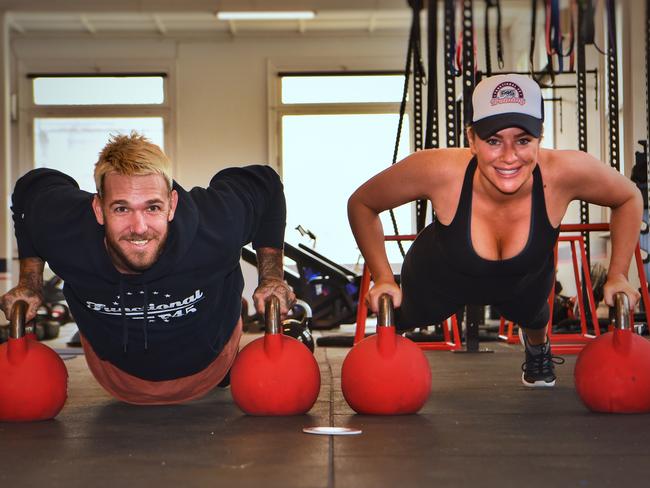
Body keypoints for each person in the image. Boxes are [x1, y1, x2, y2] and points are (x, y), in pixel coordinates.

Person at [348, 74, 643, 387]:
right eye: (493, 141)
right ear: (472, 139)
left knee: (535, 315)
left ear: (540, 136)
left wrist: (618, 276)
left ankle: (537, 347)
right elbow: (362, 204)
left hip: (521, 281)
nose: (509, 156)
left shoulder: (564, 172)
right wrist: (382, 277)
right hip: (439, 280)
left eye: (523, 140)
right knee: (401, 317)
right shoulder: (438, 170)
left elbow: (628, 197)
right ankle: (392, 341)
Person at [0, 132, 294, 404]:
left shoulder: (215, 223)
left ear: (172, 204)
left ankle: (229, 310)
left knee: (218, 289)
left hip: (215, 361)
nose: (138, 228)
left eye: (152, 207)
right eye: (121, 208)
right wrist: (31, 281)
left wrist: (271, 278)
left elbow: (265, 184)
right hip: (116, 376)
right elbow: (30, 189)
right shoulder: (65, 230)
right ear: (98, 210)